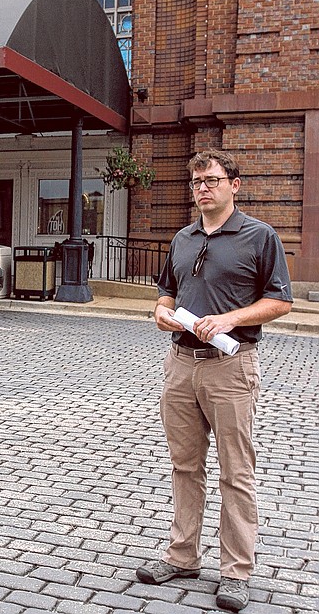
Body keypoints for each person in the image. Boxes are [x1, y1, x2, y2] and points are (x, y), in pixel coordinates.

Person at [135, 149, 293, 612]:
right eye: (197, 182)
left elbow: (280, 302)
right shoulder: (182, 238)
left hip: (232, 366)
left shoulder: (260, 237)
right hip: (181, 364)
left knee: (235, 472)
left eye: (212, 180)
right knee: (185, 467)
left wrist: (230, 319)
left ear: (234, 184)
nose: (203, 188)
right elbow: (167, 290)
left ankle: (236, 572)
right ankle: (182, 556)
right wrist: (162, 312)